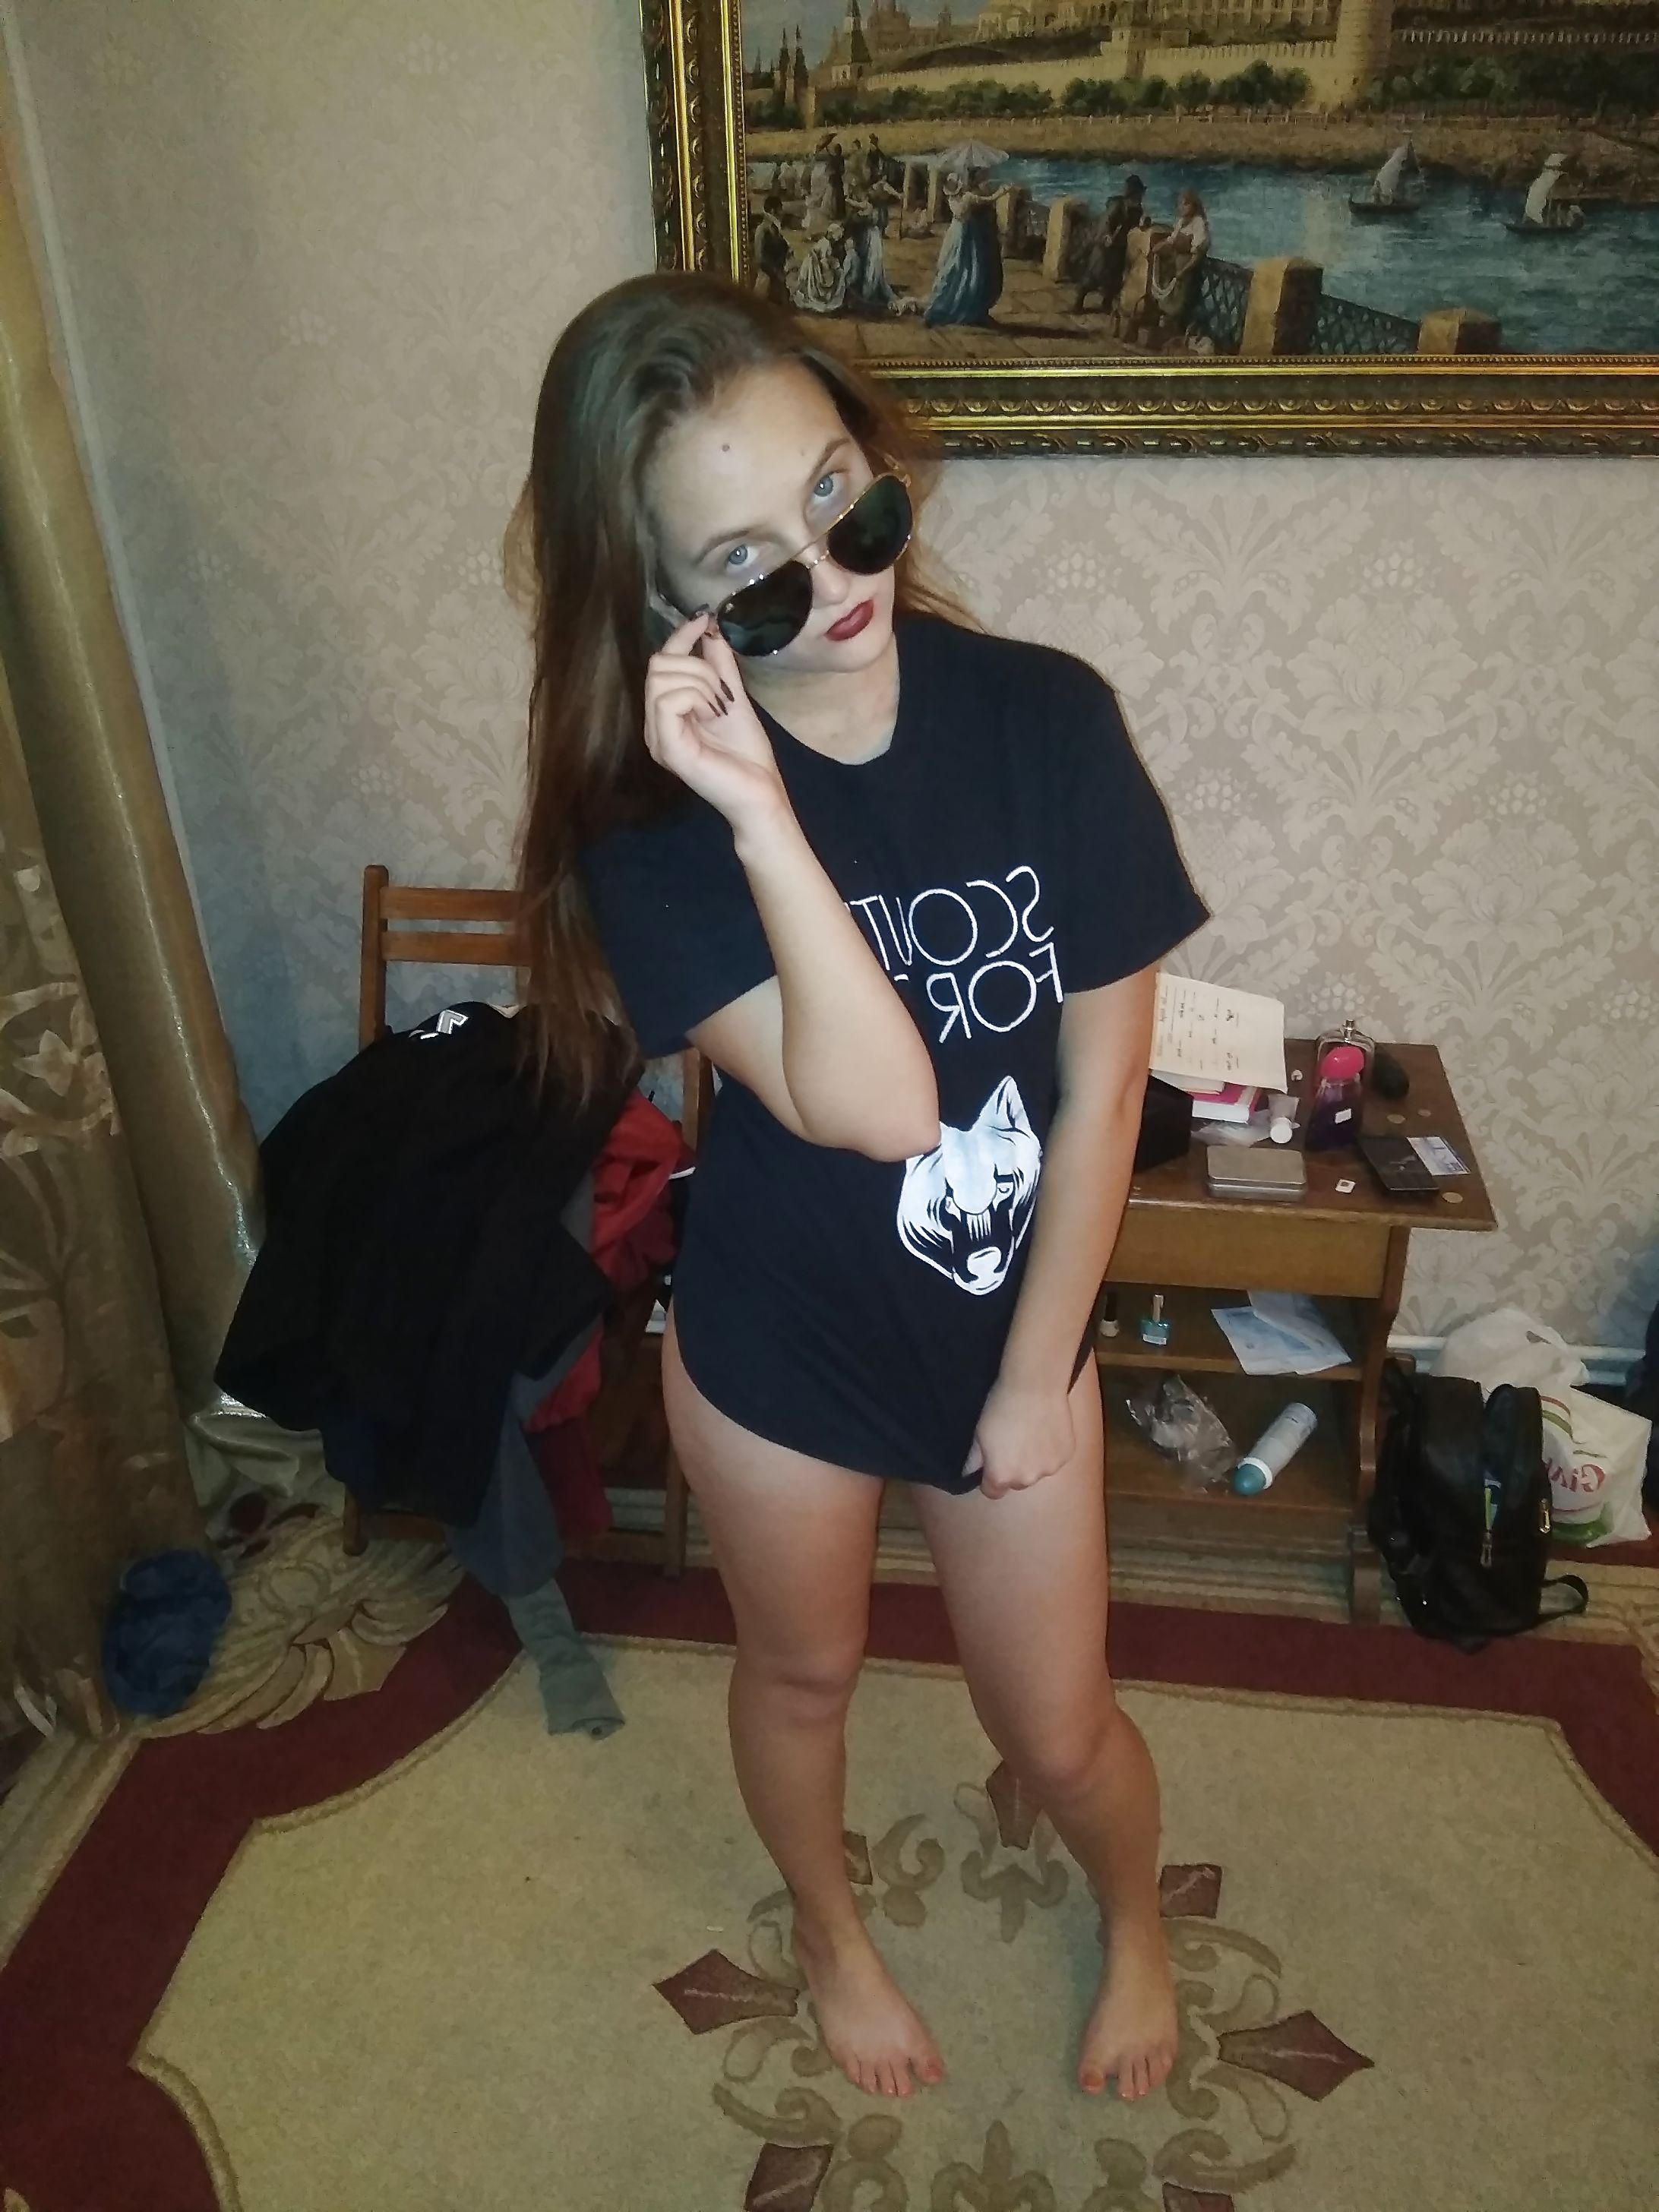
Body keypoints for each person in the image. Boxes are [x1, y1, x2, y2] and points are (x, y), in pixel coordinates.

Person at [510, 271, 1209, 2104]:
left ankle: (1135, 1920)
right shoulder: (656, 832)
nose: (831, 581)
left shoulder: (1047, 720)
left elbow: (1103, 1088)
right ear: (665, 613)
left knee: (1057, 1731)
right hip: (782, 1341)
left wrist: (1038, 1375)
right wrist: (759, 810)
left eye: (841, 498)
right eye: (746, 569)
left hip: (1008, 1328)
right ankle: (831, 1938)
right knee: (800, 1675)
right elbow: (885, 1106)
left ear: (875, 451)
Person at [924, 168, 1003, 327]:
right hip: (967, 233)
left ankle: (953, 301)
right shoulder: (968, 197)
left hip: (954, 231)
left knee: (955, 266)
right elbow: (988, 199)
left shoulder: (952, 198)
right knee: (969, 267)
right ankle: (966, 306)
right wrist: (1002, 191)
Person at [1073, 173, 1146, 318]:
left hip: (1119, 248)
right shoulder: (1118, 205)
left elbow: (1135, 227)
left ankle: (1106, 303)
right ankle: (1078, 302)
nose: (1140, 197)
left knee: (1114, 279)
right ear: (1133, 193)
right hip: (1105, 247)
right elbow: (1106, 221)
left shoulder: (1138, 210)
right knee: (1094, 275)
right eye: (1138, 194)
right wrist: (1107, 236)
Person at [1150, 190, 1209, 341]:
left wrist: (1184, 270)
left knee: (1181, 305)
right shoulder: (1182, 222)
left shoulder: (1199, 223)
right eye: (1180, 204)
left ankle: (1179, 334)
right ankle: (1169, 332)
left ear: (1193, 206)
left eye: (1185, 204)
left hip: (1189, 272)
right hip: (1176, 268)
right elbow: (1171, 240)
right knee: (1167, 299)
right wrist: (1159, 246)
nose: (1181, 208)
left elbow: (1198, 255)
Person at [789, 220, 855, 315]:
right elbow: (824, 261)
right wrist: (831, 268)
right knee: (838, 274)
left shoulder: (824, 242)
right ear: (831, 235)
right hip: (817, 267)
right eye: (837, 235)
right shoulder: (826, 244)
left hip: (816, 263)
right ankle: (828, 298)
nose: (838, 238)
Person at [754, 191, 794, 308]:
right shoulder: (763, 230)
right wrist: (777, 272)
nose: (782, 212)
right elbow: (761, 258)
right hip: (767, 279)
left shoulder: (774, 227)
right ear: (772, 211)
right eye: (780, 209)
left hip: (777, 276)